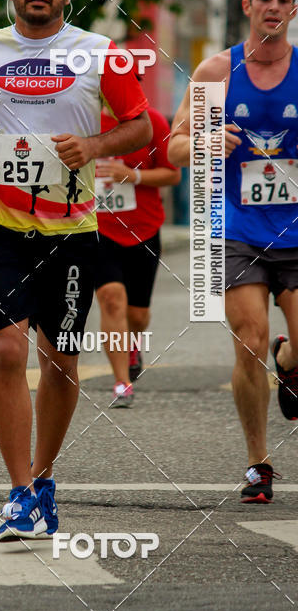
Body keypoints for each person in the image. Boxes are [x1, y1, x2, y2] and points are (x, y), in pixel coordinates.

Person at [0, 0, 151, 541]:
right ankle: (18, 493)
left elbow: (138, 126)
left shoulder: (100, 52)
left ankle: (45, 476)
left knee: (59, 360)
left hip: (72, 229)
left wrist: (96, 146)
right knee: (6, 349)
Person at [168, 0, 298, 503]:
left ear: (293, 9)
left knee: (284, 350)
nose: (272, 7)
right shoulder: (216, 74)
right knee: (247, 339)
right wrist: (202, 142)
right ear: (247, 7)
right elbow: (172, 149)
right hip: (237, 230)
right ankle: (258, 464)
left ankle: (288, 359)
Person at [94, 94, 180, 408]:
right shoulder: (85, 121)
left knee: (138, 314)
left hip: (143, 228)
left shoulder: (153, 122)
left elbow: (173, 174)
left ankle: (132, 343)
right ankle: (121, 382)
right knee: (111, 298)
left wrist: (134, 176)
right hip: (98, 229)